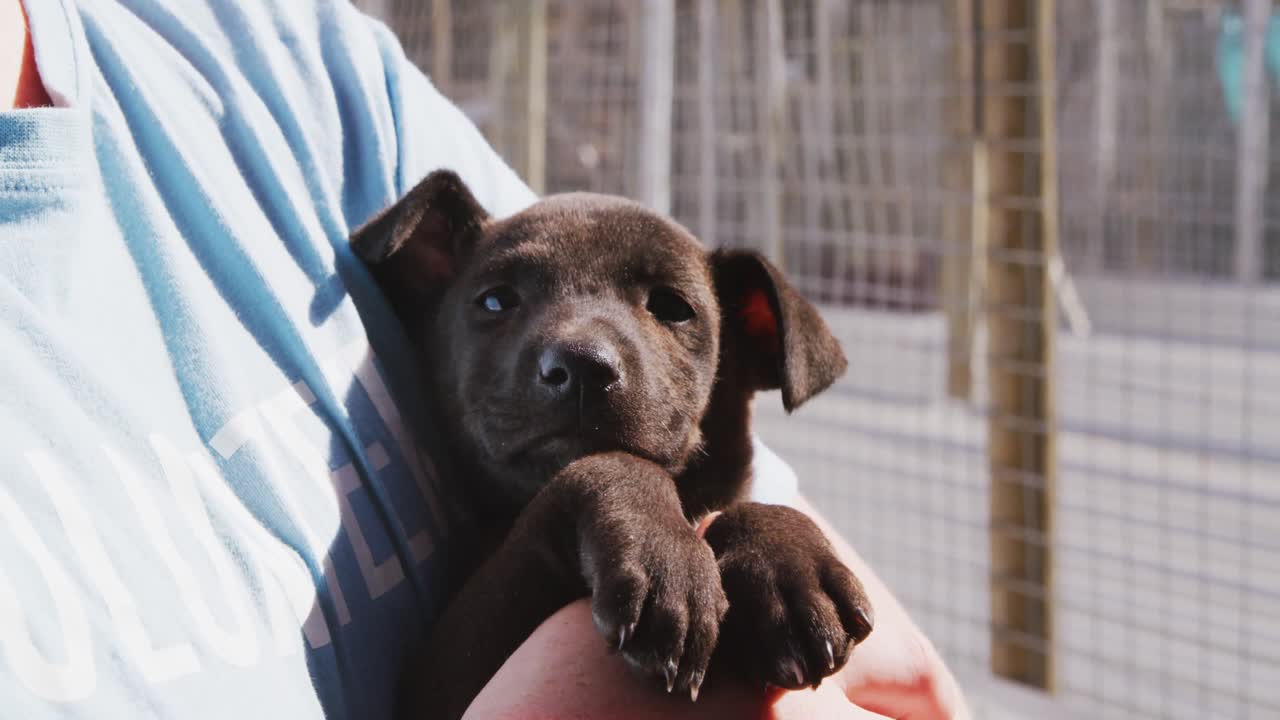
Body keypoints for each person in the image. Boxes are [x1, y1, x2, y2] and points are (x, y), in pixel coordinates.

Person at [0, 0, 968, 717]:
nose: (584, 345)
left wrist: (770, 540)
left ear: (753, 342)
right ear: (427, 282)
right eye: (503, 301)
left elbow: (915, 689)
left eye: (667, 308)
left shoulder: (280, 65)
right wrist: (595, 501)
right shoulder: (471, 539)